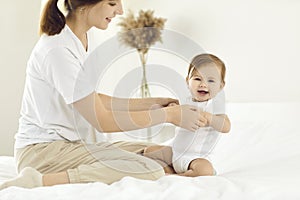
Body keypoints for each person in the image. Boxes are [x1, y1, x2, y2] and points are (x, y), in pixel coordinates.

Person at [0, 0, 206, 190]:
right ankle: (36, 181)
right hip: (43, 154)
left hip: (75, 146)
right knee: (150, 169)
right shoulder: (57, 50)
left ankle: (160, 171)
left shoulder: (81, 38)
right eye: (112, 3)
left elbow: (93, 100)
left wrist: (154, 103)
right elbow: (102, 120)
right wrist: (169, 116)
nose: (120, 10)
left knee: (166, 156)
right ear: (85, 4)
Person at [143, 53, 231, 176]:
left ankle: (178, 176)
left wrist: (209, 117)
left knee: (205, 170)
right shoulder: (185, 101)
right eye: (197, 79)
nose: (203, 84)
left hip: (195, 158)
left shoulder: (214, 106)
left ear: (220, 86)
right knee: (149, 152)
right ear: (187, 81)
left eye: (210, 80)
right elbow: (174, 113)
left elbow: (226, 126)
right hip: (175, 153)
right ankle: (169, 169)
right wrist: (172, 109)